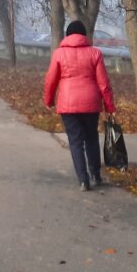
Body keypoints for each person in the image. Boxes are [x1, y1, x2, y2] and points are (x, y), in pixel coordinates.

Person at [43, 20, 116, 191]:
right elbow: (104, 83)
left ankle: (83, 180)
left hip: (67, 103)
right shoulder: (95, 53)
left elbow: (50, 80)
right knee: (91, 138)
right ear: (84, 35)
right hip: (91, 103)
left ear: (67, 35)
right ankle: (96, 175)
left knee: (75, 142)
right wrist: (110, 106)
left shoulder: (59, 54)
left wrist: (49, 100)